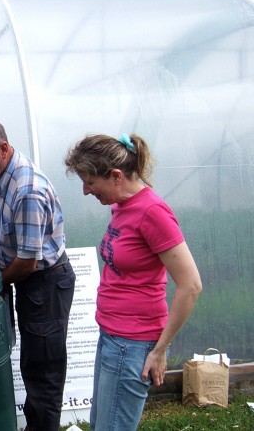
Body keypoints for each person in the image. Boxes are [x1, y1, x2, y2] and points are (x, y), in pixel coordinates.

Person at [64, 133, 203, 431]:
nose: (86, 191)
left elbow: (191, 285)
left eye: (90, 182)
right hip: (111, 334)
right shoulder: (122, 206)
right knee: (101, 423)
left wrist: (159, 350)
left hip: (133, 343)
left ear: (115, 176)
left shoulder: (153, 213)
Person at [0, 117, 75, 431]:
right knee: (32, 361)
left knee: (44, 370)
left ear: (4, 148)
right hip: (26, 280)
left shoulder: (27, 191)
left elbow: (27, 261)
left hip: (44, 283)